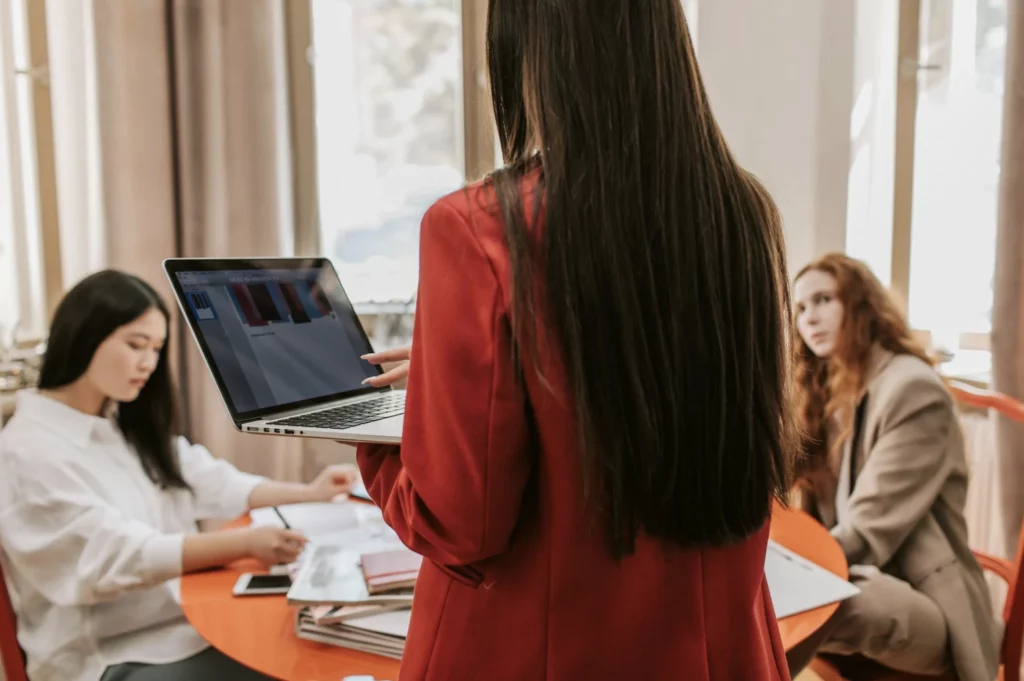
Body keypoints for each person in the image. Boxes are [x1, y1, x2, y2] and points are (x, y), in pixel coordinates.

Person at [356, 1, 797, 679]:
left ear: (526, 51)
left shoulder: (480, 228)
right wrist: (454, 385)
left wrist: (383, 435)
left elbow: (459, 524)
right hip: (718, 650)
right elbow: (633, 384)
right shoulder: (740, 215)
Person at [0, 270, 360, 681]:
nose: (148, 363)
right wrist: (239, 543)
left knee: (313, 644)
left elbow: (210, 479)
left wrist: (309, 493)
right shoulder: (28, 450)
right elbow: (115, 556)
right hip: (110, 655)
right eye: (136, 346)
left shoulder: (116, 421)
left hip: (186, 623)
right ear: (83, 337)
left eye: (156, 349)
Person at [788, 253, 999, 681]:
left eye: (824, 299)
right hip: (869, 572)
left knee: (837, 605)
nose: (810, 318)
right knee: (776, 593)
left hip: (931, 600)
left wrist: (793, 576)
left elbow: (866, 532)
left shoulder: (912, 390)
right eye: (801, 308)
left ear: (860, 302)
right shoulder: (825, 392)